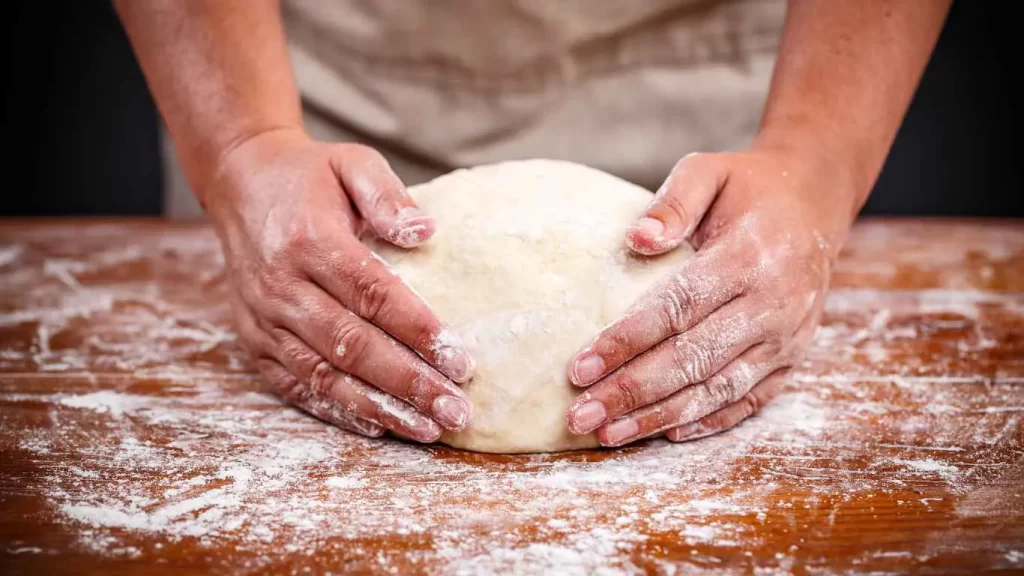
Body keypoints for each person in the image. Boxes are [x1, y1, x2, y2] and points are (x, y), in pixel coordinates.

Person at [115, 0, 951, 447]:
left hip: (721, 91)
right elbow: (249, 146)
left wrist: (812, 159)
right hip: (313, 87)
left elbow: (806, 164)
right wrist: (244, 144)